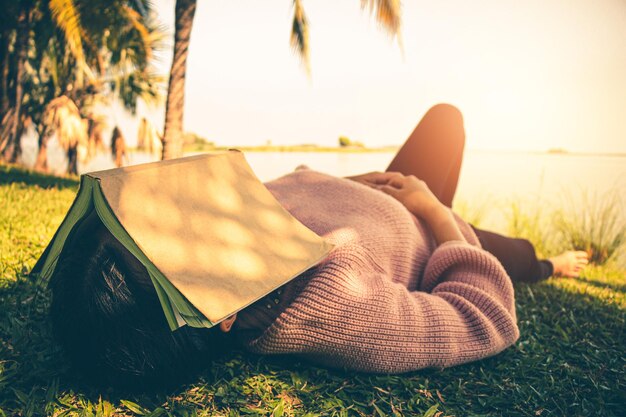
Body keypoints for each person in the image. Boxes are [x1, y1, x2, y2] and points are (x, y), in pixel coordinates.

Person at [49, 104, 588, 390]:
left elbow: (301, 187)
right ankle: (553, 263)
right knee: (517, 256)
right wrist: (433, 209)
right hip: (430, 222)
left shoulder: (231, 231)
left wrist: (360, 179)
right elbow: (485, 315)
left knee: (446, 117)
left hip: (384, 188)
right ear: (221, 313)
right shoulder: (335, 307)